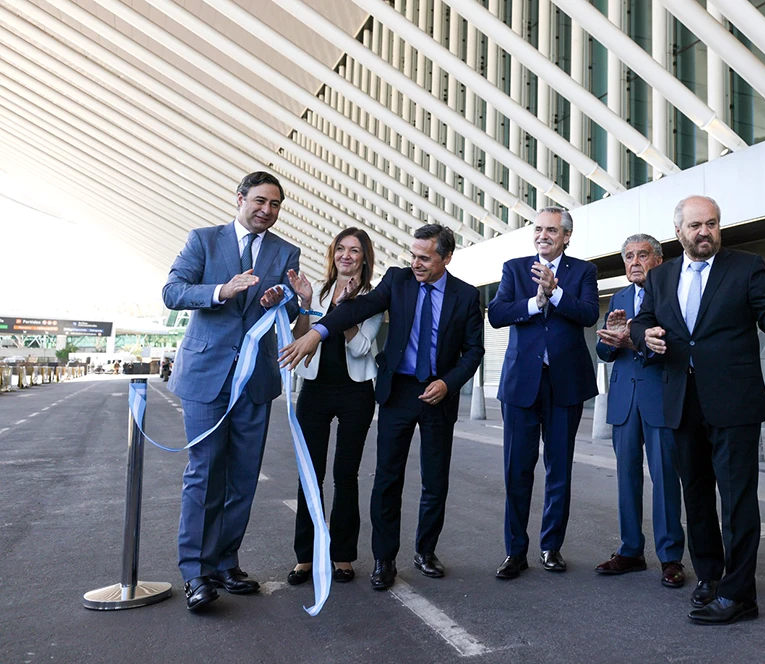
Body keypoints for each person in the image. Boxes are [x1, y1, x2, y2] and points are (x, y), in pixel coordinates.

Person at [281, 224, 484, 589]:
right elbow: (356, 309)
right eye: (413, 255)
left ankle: (425, 551)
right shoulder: (398, 281)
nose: (416, 263)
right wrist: (316, 332)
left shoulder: (466, 296)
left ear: (446, 258)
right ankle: (383, 559)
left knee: (434, 480)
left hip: (438, 391)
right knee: (387, 478)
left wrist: (448, 383)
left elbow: (474, 351)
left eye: (425, 257)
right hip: (399, 392)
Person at [629, 195, 765, 625]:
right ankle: (709, 577)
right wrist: (644, 333)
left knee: (738, 500)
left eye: (712, 224)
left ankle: (741, 594)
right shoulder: (661, 276)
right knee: (698, 496)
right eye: (696, 225)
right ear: (679, 232)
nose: (705, 232)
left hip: (734, 401)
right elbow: (641, 319)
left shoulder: (746, 266)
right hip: (681, 401)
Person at [162, 171, 300, 611]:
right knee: (204, 473)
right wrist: (223, 290)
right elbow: (173, 291)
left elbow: (291, 306)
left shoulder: (285, 251)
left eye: (275, 205)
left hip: (256, 379)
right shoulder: (203, 240)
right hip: (207, 377)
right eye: (260, 201)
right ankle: (195, 573)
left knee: (242, 477)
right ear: (239, 198)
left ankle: (226, 562)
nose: (267, 211)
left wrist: (284, 297)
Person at [487, 207, 599, 579]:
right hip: (522, 383)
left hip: (565, 382)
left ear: (566, 236)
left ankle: (551, 547)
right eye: (538, 229)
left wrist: (556, 291)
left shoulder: (583, 271)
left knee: (559, 470)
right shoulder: (514, 268)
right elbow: (498, 314)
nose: (543, 236)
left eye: (551, 230)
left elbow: (587, 314)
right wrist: (537, 301)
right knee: (516, 470)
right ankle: (515, 551)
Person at [283, 228, 383, 586]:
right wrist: (308, 303)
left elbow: (360, 348)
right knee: (310, 475)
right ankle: (305, 557)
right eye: (340, 249)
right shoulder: (319, 292)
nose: (346, 255)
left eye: (354, 250)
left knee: (345, 476)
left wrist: (346, 312)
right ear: (333, 254)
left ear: (364, 258)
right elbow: (300, 339)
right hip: (315, 390)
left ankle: (343, 555)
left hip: (356, 392)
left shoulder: (373, 298)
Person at [593, 234, 686, 588]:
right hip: (623, 401)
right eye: (629, 256)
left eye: (642, 255)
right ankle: (630, 550)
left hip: (660, 398)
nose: (634, 262)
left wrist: (633, 339)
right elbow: (605, 354)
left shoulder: (673, 292)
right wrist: (610, 339)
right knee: (626, 479)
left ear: (658, 260)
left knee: (665, 478)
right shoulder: (618, 298)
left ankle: (670, 557)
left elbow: (675, 345)